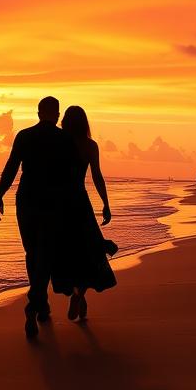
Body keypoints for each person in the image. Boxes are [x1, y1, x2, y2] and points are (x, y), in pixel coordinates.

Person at [0, 96, 78, 338]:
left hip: (27, 200)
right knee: (47, 254)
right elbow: (72, 176)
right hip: (54, 203)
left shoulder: (24, 135)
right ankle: (35, 303)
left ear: (39, 113)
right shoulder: (65, 139)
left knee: (32, 253)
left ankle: (39, 304)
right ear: (57, 115)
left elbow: (11, 167)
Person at [50, 105, 117, 321]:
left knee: (66, 252)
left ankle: (75, 293)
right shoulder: (90, 146)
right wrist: (106, 203)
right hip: (80, 203)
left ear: (65, 121)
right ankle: (80, 294)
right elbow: (97, 176)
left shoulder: (59, 142)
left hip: (60, 204)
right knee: (89, 252)